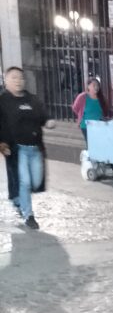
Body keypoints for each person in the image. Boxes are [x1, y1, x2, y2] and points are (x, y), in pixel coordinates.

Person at [0, 66, 54, 229]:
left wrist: (48, 122)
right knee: (25, 181)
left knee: (36, 182)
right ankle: (29, 215)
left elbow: (43, 115)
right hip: (17, 149)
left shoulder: (32, 99)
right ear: (6, 80)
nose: (18, 81)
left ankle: (17, 200)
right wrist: (2, 143)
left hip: (35, 147)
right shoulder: (3, 101)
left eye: (20, 78)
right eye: (14, 78)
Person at [72, 78, 110, 146]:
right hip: (86, 126)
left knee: (99, 145)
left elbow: (105, 110)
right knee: (91, 145)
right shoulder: (82, 97)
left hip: (99, 126)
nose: (96, 87)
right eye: (94, 85)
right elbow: (75, 108)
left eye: (97, 85)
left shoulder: (101, 98)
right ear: (88, 86)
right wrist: (80, 116)